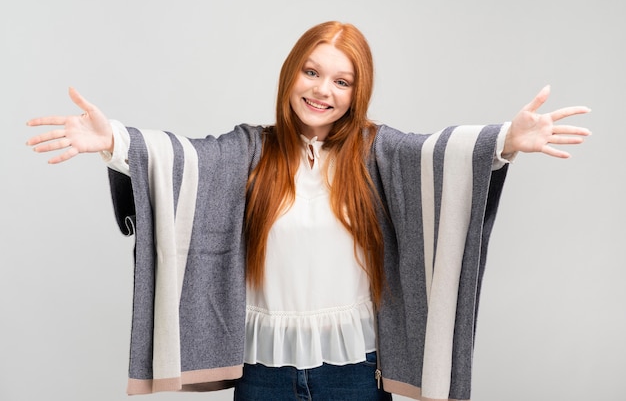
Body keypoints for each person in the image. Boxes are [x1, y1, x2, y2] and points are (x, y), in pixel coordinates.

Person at [26, 21, 590, 401]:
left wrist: (505, 142)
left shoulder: (377, 151)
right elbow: (180, 161)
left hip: (353, 368)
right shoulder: (249, 150)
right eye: (312, 72)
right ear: (291, 73)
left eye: (342, 81)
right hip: (262, 369)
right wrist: (114, 142)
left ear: (357, 90)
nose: (324, 90)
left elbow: (439, 156)